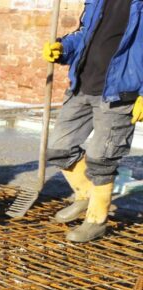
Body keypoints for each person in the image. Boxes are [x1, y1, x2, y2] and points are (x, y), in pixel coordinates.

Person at [44, 0, 143, 242]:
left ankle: (96, 219)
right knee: (58, 148)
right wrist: (62, 48)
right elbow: (83, 35)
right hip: (82, 86)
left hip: (119, 93)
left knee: (102, 159)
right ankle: (85, 195)